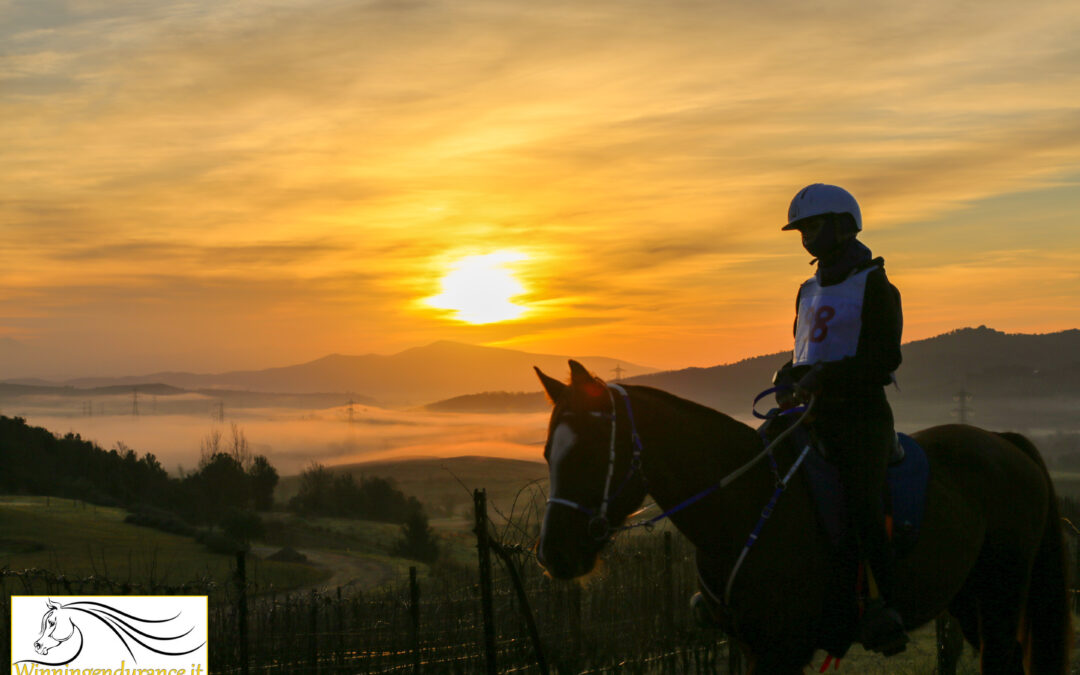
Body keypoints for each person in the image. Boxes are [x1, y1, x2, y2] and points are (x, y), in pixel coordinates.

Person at [774, 183, 908, 655]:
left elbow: (884, 358)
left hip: (861, 416)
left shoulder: (876, 285)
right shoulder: (807, 290)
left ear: (844, 225)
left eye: (814, 225)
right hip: (811, 414)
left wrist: (823, 379)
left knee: (862, 503)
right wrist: (788, 375)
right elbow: (805, 352)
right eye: (802, 230)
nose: (807, 236)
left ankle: (885, 605)